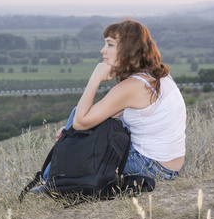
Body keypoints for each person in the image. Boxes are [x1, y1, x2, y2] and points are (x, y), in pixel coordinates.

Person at [55, 19, 186, 181]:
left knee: (79, 120)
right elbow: (108, 115)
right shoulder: (156, 76)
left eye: (110, 45)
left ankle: (52, 180)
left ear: (128, 50)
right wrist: (73, 131)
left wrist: (95, 78)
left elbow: (81, 122)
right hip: (169, 164)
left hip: (151, 165)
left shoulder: (132, 86)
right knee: (82, 120)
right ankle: (55, 173)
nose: (102, 50)